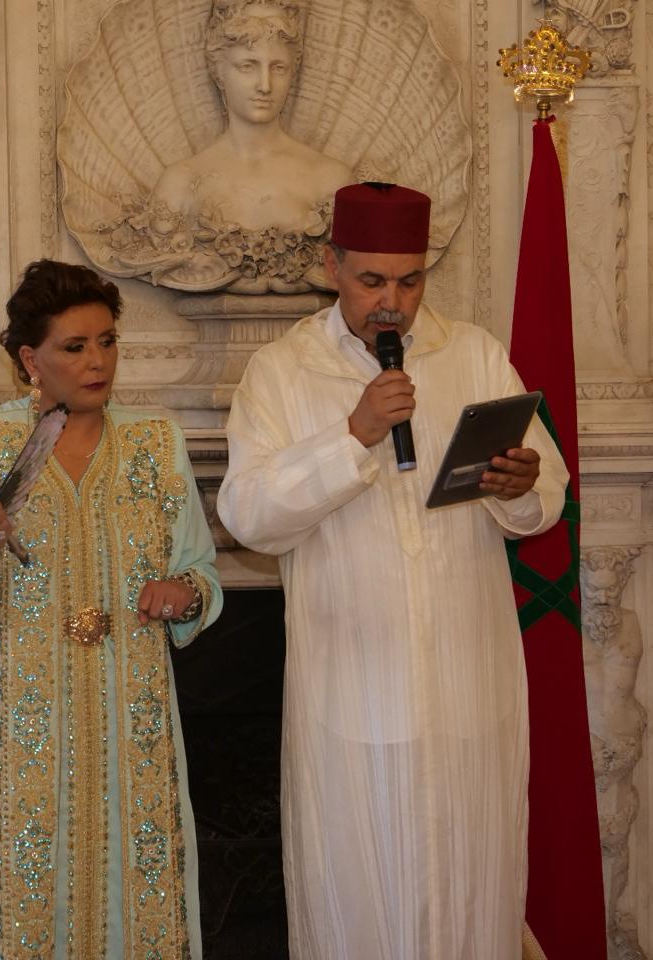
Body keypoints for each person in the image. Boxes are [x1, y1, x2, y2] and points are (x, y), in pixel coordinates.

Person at [216, 182, 569, 959]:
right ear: (332, 267)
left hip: (467, 686)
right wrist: (354, 434)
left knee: (473, 884)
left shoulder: (473, 354)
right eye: (372, 280)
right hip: (353, 693)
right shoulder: (282, 371)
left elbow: (544, 502)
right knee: (358, 890)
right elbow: (247, 517)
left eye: (410, 281)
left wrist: (519, 485)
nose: (393, 303)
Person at [0, 259, 223, 959]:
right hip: (18, 730)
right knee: (17, 903)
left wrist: (183, 593)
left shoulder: (157, 442)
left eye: (107, 342)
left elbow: (201, 572)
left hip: (134, 722)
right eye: (75, 347)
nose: (97, 362)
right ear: (31, 359)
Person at [150, 0, 352, 235]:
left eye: (278, 68)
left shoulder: (331, 180)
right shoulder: (180, 184)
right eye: (247, 66)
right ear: (219, 71)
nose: (265, 86)